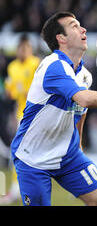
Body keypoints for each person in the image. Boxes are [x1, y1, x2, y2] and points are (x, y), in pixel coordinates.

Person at [10, 12, 97, 206]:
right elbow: (84, 99)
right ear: (61, 38)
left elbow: (80, 113)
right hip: (33, 159)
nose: (83, 29)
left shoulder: (85, 75)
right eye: (74, 26)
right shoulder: (53, 66)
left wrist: (79, 148)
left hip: (68, 156)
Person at [0, 34, 40, 205]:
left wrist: (23, 91)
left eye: (26, 48)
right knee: (19, 153)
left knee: (29, 154)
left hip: (38, 115)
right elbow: (10, 90)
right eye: (21, 48)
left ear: (30, 49)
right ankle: (18, 189)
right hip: (21, 115)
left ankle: (22, 189)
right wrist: (11, 92)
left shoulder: (36, 64)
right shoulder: (13, 67)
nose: (23, 51)